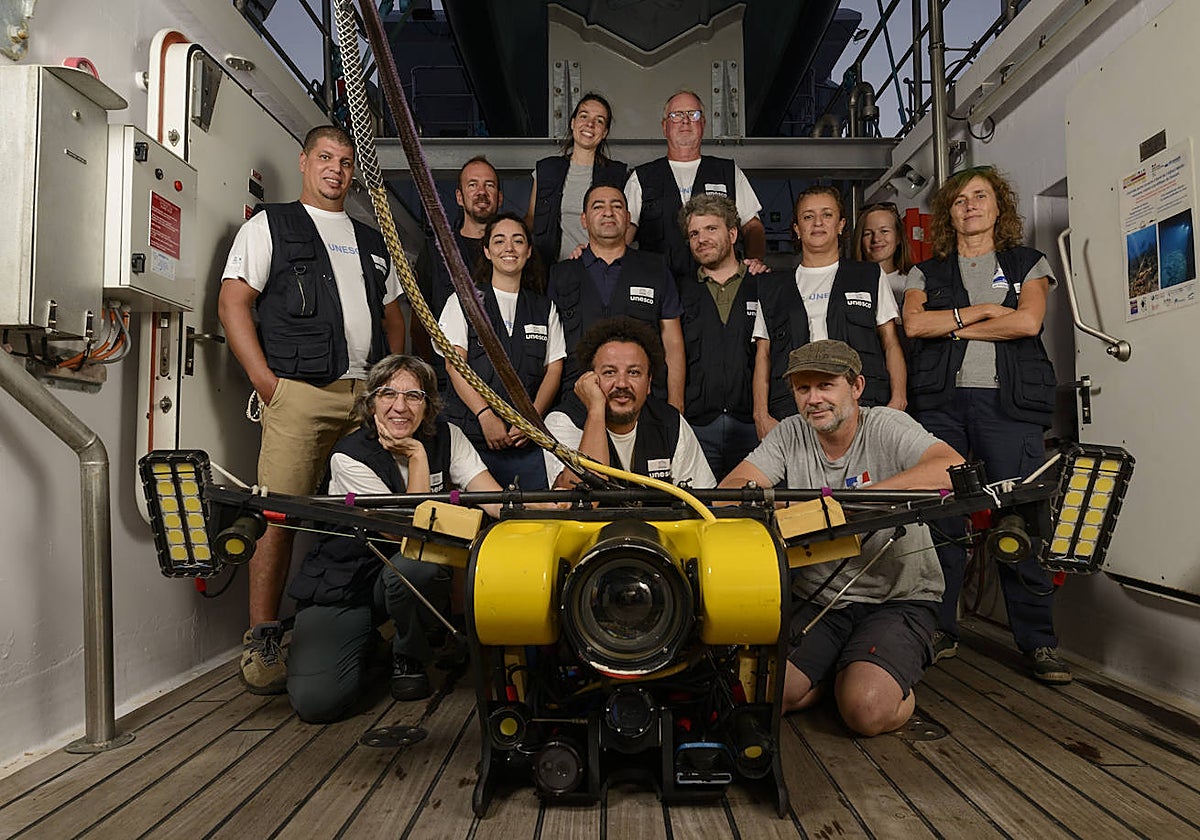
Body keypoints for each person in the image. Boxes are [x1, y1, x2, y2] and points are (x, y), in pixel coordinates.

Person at [218, 125, 407, 695]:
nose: (336, 170)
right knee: (278, 512)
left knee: (382, 512)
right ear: (303, 162)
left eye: (346, 162)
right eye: (326, 158)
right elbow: (232, 303)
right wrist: (266, 382)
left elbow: (394, 316)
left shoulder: (372, 240)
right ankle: (262, 636)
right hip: (299, 392)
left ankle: (382, 622)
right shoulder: (269, 226)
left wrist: (390, 381)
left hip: (368, 396)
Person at [718, 340, 962, 736]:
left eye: (826, 385)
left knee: (866, 710)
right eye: (803, 388)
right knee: (761, 696)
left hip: (896, 599)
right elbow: (730, 493)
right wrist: (803, 511)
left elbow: (951, 467)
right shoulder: (790, 433)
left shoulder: (885, 424)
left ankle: (883, 678)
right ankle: (839, 673)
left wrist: (854, 504)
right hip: (821, 598)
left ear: (856, 387)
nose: (814, 398)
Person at [902, 166, 1070, 685]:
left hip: (1009, 408)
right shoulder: (925, 272)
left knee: (1019, 521)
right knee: (941, 521)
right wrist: (980, 312)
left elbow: (1028, 322)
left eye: (980, 196)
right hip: (942, 407)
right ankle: (939, 628)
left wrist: (952, 328)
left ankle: (1038, 641)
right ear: (948, 215)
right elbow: (915, 324)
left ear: (999, 207)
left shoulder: (1027, 263)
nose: (970, 205)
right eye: (960, 200)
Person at [286, 355, 503, 721]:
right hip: (347, 583)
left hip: (402, 575)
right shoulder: (349, 456)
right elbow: (407, 530)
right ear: (371, 403)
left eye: (414, 396)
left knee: (419, 565)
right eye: (388, 394)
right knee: (317, 703)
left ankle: (409, 656)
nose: (400, 407)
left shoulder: (447, 436)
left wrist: (550, 508)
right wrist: (417, 456)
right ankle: (371, 644)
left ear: (428, 405)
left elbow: (493, 500)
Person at [752, 186, 906, 440]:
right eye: (808, 216)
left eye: (827, 214)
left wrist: (898, 400)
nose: (818, 223)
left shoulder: (868, 276)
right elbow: (763, 354)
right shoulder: (772, 287)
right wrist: (761, 415)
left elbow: (890, 343)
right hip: (792, 411)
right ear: (797, 228)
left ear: (841, 225)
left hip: (862, 408)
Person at [437, 212, 565, 489]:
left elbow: (554, 369)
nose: (509, 248)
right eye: (499, 241)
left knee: (534, 512)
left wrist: (531, 418)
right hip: (470, 439)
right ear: (487, 250)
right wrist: (485, 415)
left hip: (527, 444)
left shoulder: (544, 308)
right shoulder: (464, 300)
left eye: (518, 241)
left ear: (528, 251)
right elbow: (454, 365)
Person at [546, 184, 686, 409]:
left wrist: (676, 404)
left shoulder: (655, 269)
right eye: (598, 206)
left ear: (628, 218)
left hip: (644, 405)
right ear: (584, 220)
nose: (608, 212)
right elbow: (552, 352)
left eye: (617, 206)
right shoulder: (560, 275)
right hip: (577, 404)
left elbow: (673, 342)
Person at [544, 316, 715, 490]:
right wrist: (595, 411)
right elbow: (581, 497)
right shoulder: (564, 421)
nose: (622, 383)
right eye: (610, 372)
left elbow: (702, 499)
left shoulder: (671, 422)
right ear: (589, 379)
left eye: (634, 373)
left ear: (649, 383)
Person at [624, 90, 766, 286]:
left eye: (693, 114)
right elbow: (623, 234)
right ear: (665, 126)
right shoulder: (641, 177)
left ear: (703, 124)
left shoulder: (727, 171)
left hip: (719, 288)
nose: (685, 121)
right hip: (659, 288)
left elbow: (753, 227)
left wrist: (754, 261)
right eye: (676, 115)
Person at [677, 194, 761, 477]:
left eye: (711, 229)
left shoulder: (764, 285)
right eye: (694, 234)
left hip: (753, 426)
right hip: (698, 427)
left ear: (733, 234)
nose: (702, 239)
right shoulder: (678, 291)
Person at [526, 92, 628, 267]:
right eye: (584, 116)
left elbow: (625, 228)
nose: (590, 124)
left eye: (599, 121)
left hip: (600, 268)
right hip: (550, 270)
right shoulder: (547, 170)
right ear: (573, 123)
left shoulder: (617, 174)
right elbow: (531, 219)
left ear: (604, 132)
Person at [853, 201, 915, 313]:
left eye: (884, 231)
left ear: (898, 237)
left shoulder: (913, 283)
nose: (876, 239)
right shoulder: (849, 283)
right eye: (868, 233)